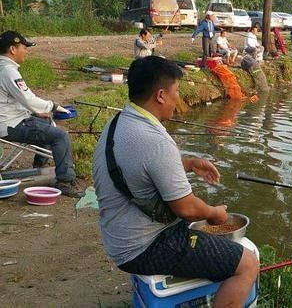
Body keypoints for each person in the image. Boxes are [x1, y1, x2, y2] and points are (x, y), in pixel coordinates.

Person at [92, 56, 258, 307]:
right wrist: (215, 214)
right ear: (160, 95)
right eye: (176, 92)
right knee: (247, 264)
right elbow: (187, 209)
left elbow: (141, 170)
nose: (177, 99)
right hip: (143, 247)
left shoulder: (118, 123)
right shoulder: (156, 141)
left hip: (117, 236)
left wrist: (189, 163)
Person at [0, 31, 83, 198]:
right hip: (10, 125)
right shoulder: (8, 71)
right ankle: (65, 180)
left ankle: (39, 165)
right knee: (61, 135)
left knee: (43, 120)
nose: (26, 51)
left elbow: (20, 100)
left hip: (10, 119)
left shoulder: (4, 68)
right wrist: (54, 106)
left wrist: (40, 111)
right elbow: (28, 99)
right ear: (12, 49)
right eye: (24, 47)